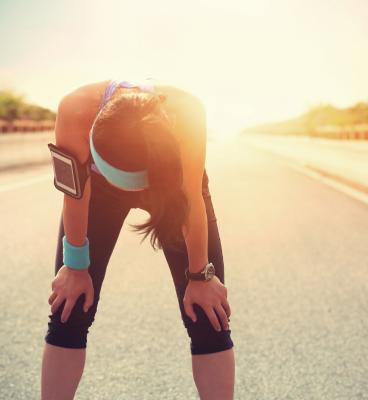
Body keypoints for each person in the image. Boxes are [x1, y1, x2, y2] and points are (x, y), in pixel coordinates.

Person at [40, 78, 235, 399]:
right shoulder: (76, 110)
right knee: (69, 306)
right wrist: (75, 268)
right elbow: (74, 194)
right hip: (99, 193)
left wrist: (200, 275)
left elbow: (191, 199)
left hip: (169, 185)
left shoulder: (186, 113)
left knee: (208, 312)